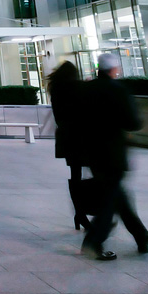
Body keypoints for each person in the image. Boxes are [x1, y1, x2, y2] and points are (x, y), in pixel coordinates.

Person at [80, 53, 148, 261]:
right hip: (113, 150)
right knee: (111, 197)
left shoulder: (86, 90)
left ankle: (143, 238)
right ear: (114, 70)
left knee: (117, 195)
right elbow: (132, 121)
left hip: (91, 151)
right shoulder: (118, 90)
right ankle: (94, 240)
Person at [48, 61, 89, 230]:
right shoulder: (78, 88)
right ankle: (84, 212)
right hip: (83, 136)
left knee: (75, 174)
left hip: (66, 137)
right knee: (93, 173)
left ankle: (79, 213)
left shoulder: (55, 90)